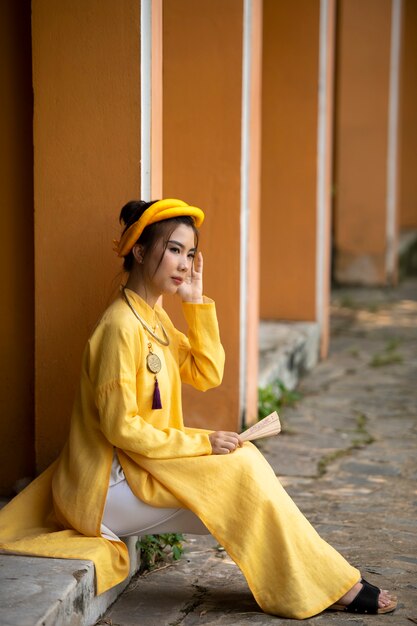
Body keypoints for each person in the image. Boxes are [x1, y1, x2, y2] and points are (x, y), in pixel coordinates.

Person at [0, 198, 396, 619]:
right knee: (241, 482)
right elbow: (121, 429)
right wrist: (203, 442)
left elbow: (208, 373)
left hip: (142, 468)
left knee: (245, 469)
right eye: (173, 250)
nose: (184, 264)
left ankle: (327, 582)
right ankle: (327, 585)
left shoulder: (154, 317)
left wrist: (195, 302)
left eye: (189, 254)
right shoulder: (120, 327)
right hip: (106, 486)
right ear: (138, 250)